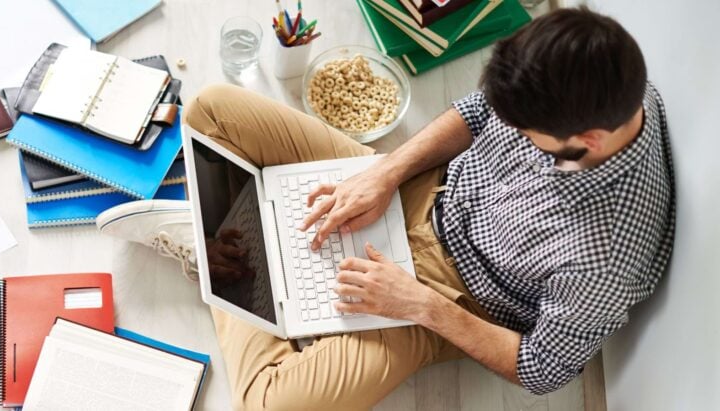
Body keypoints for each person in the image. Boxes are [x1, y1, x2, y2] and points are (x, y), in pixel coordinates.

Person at [97, 7, 675, 410]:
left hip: (449, 295)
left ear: (589, 141)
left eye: (526, 132)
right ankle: (252, 253)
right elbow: (476, 114)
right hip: (424, 187)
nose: (512, 132)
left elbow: (544, 368)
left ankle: (217, 259)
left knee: (272, 401)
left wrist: (417, 304)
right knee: (212, 109)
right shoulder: (603, 73)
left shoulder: (604, 258)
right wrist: (384, 172)